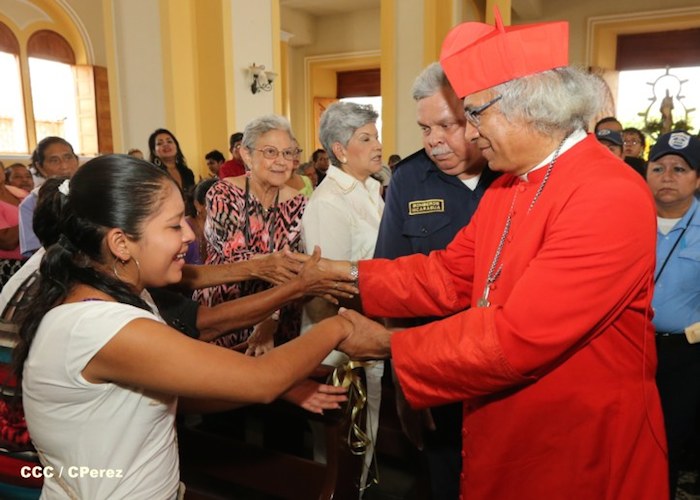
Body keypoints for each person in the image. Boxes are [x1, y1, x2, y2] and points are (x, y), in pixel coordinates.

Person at [333, 10, 667, 499]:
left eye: (474, 114)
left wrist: (389, 345)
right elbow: (447, 275)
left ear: (529, 104)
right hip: (504, 421)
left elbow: (521, 335)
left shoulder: (607, 191)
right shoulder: (510, 185)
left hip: (580, 444)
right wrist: (338, 275)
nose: (469, 134)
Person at [12, 155, 355, 499]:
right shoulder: (99, 325)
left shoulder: (121, 298)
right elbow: (262, 380)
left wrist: (272, 383)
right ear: (121, 243)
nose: (190, 234)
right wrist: (340, 327)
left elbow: (176, 395)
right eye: (175, 225)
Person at [373, 61, 499, 500]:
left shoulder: (513, 174)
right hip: (438, 368)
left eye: (447, 125)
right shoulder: (409, 179)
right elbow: (391, 282)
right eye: (425, 128)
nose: (434, 140)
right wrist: (404, 382)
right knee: (445, 481)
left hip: (507, 370)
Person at [302, 101, 384, 490]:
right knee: (340, 449)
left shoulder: (371, 189)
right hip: (339, 340)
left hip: (369, 327)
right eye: (365, 138)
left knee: (366, 434)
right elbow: (329, 285)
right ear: (340, 150)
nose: (378, 145)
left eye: (376, 136)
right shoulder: (330, 201)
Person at [193, 115, 307, 353]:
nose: (281, 161)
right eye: (271, 152)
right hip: (226, 310)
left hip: (278, 316)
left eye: (288, 153)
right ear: (247, 155)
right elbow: (235, 255)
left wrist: (270, 319)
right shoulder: (223, 193)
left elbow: (295, 266)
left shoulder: (300, 204)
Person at [645, 131, 700, 498]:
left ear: (697, 179)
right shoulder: (625, 219)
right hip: (630, 348)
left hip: (686, 354)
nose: (667, 176)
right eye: (658, 167)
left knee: (669, 439)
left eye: (679, 169)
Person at [19, 136, 80, 258]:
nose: (64, 166)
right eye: (54, 161)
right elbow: (35, 249)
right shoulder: (32, 203)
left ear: (77, 160)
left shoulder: (92, 192)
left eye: (68, 157)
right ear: (40, 167)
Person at [0, 164, 28, 287]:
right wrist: (30, 216)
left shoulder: (16, 191)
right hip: (9, 265)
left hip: (33, 259)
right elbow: (7, 242)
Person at [148, 128, 195, 192]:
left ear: (176, 147)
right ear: (154, 152)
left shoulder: (187, 172)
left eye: (169, 141)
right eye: (160, 143)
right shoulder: (152, 174)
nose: (166, 145)